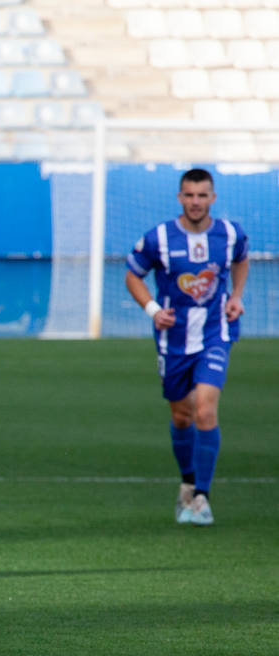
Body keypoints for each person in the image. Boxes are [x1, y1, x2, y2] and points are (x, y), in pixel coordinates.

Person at [125, 167, 248, 526]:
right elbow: (133, 274)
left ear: (213, 197)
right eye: (189, 195)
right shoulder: (160, 237)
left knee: (205, 410)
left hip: (215, 333)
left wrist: (236, 296)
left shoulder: (228, 233)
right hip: (174, 339)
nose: (196, 202)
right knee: (181, 415)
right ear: (180, 197)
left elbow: (241, 259)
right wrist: (152, 309)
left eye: (202, 195)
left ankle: (201, 498)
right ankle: (187, 481)